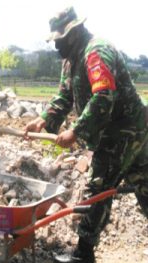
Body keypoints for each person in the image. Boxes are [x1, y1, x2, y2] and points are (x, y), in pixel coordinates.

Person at [25, 6, 148, 263]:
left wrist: (76, 131)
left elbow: (103, 97)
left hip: (124, 129)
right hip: (125, 130)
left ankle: (83, 254)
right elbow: (64, 96)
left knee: (99, 186)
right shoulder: (70, 59)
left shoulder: (96, 52)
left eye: (59, 39)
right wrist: (44, 120)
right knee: (144, 183)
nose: (56, 46)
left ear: (74, 32)